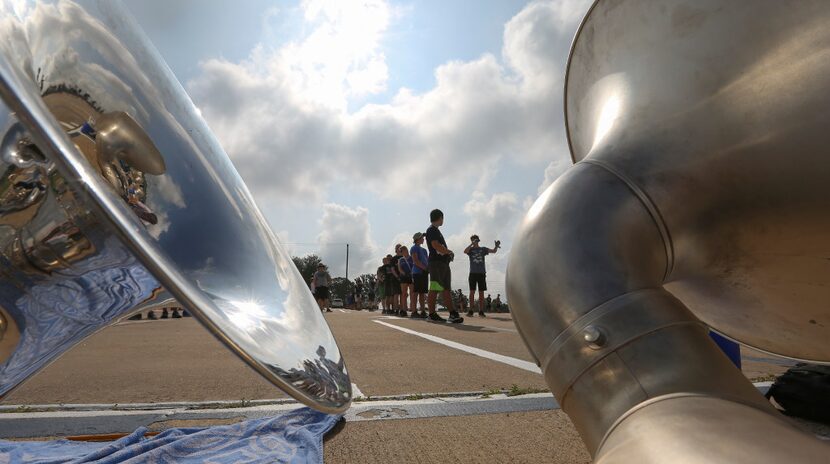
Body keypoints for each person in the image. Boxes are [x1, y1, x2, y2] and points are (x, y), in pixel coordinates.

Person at [425, 209, 463, 323]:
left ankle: (452, 313)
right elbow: (435, 245)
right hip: (436, 263)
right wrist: (448, 252)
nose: (443, 220)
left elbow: (439, 246)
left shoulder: (436, 230)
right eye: (442, 218)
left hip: (443, 263)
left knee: (446, 289)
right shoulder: (431, 230)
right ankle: (431, 314)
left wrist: (448, 253)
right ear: (440, 217)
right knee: (435, 288)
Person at [464, 235, 500, 316]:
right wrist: (471, 244)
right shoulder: (470, 250)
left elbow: (493, 251)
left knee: (481, 292)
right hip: (473, 273)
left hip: (481, 273)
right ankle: (470, 310)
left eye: (476, 240)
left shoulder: (483, 249)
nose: (475, 241)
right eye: (473, 240)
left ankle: (481, 311)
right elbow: (465, 251)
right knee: (472, 292)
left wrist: (496, 246)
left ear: (479, 240)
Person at [410, 232, 429, 318]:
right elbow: (415, 261)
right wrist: (425, 268)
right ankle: (414, 311)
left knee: (422, 293)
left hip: (424, 273)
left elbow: (427, 261)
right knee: (416, 292)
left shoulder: (424, 250)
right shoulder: (414, 248)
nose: (423, 239)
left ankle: (423, 311)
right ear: (417, 239)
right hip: (417, 272)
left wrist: (428, 269)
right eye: (422, 237)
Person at [397, 246, 414, 317]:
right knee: (404, 293)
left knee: (412, 293)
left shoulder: (411, 258)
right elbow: (399, 269)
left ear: (407, 250)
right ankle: (404, 310)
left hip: (411, 276)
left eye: (404, 250)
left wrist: (411, 273)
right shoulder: (401, 259)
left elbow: (414, 265)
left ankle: (413, 309)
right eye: (401, 251)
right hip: (404, 277)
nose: (403, 252)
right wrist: (404, 273)